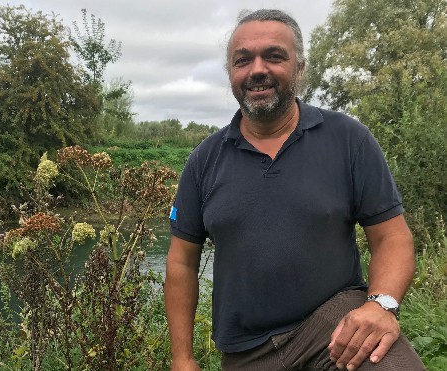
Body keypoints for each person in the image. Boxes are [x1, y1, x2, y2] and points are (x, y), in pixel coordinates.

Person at [164, 9, 426, 371]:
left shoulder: (348, 139)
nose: (258, 69)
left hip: (335, 328)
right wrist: (182, 358)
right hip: (245, 352)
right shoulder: (203, 161)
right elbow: (181, 262)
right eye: (243, 60)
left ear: (299, 68)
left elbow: (392, 238)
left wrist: (381, 306)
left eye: (274, 56)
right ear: (231, 74)